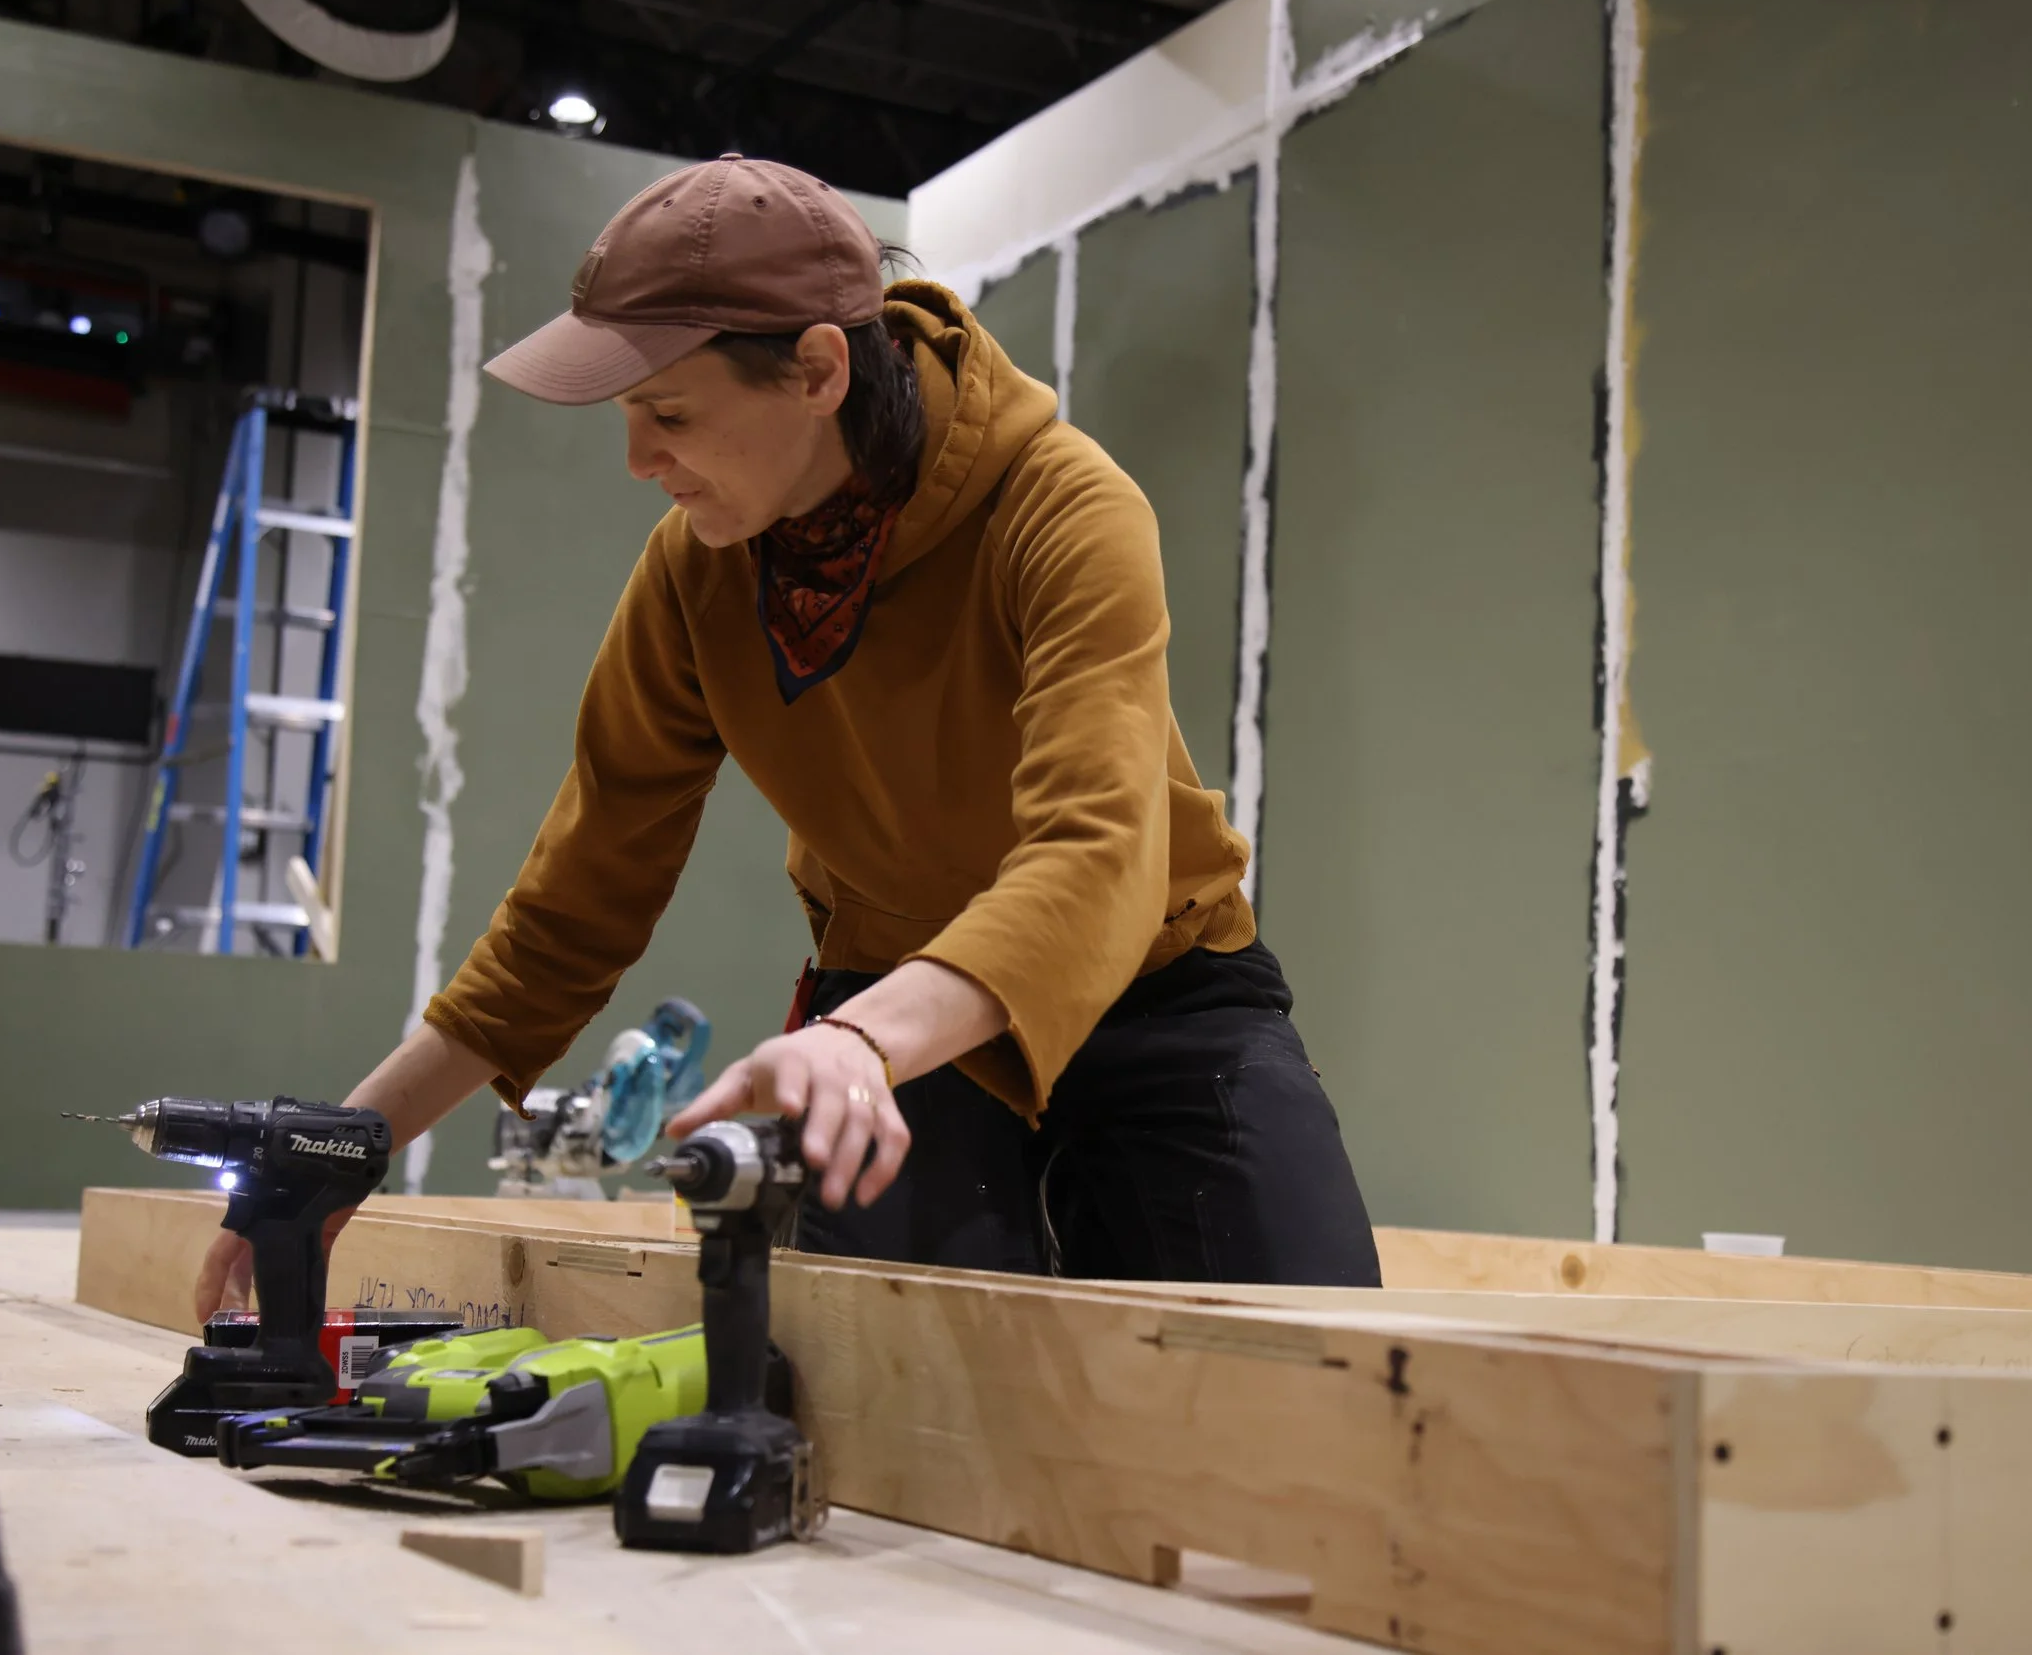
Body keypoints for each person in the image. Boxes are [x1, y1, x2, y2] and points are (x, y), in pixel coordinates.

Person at [194, 154, 1380, 1321]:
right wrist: (351, 1134)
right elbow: (577, 901)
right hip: (883, 1014)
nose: (640, 461)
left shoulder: (1063, 509)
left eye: (668, 414)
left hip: (1153, 985)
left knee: (1320, 1373)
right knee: (891, 1401)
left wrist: (857, 1039)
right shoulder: (695, 571)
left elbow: (1095, 861)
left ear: (816, 369)